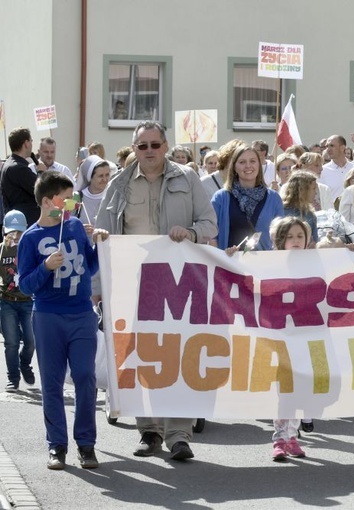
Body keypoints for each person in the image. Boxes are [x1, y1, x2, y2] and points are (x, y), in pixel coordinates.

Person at [96, 121, 217, 461]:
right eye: (141, 146)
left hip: (180, 283)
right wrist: (99, 287)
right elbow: (103, 240)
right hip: (134, 286)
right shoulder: (119, 184)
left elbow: (210, 223)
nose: (148, 151)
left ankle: (179, 435)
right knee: (143, 356)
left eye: (154, 144)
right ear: (133, 149)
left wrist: (192, 233)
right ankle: (149, 431)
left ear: (165, 146)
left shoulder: (187, 178)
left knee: (178, 356)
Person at [18, 171, 109, 470]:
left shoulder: (73, 226)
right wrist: (45, 267)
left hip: (81, 313)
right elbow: (25, 286)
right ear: (46, 202)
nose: (71, 205)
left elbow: (90, 266)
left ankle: (86, 444)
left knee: (85, 376)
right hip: (47, 317)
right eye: (65, 199)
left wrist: (98, 244)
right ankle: (57, 445)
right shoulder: (30, 237)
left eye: (73, 199)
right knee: (52, 384)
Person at [268, 216, 312, 461]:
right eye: (289, 237)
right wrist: (233, 255)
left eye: (300, 236)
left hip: (307, 336)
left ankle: (293, 435)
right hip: (281, 336)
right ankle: (279, 439)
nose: (295, 241)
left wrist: (349, 252)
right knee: (284, 389)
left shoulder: (317, 263)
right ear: (279, 240)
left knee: (301, 387)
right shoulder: (271, 264)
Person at [211, 143, 284, 252]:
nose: (248, 166)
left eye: (253, 161)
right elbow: (212, 235)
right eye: (242, 162)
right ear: (234, 167)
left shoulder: (273, 198)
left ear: (259, 165)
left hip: (265, 265)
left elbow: (281, 236)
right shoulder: (221, 198)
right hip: (229, 264)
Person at [1, 210, 35, 393]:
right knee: (11, 342)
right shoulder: (2, 249)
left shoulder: (30, 247)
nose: (15, 236)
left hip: (28, 300)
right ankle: (12, 378)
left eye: (19, 232)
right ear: (5, 232)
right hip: (6, 301)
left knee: (31, 340)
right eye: (11, 233)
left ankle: (25, 363)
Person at [1, 128, 39, 226]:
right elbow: (41, 189)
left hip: (18, 222)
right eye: (31, 141)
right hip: (24, 224)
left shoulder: (11, 164)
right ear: (26, 143)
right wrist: (41, 172)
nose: (31, 144)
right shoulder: (18, 168)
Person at [282, 170, 319, 245]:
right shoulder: (281, 211)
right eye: (313, 188)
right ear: (303, 190)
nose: (315, 192)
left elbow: (315, 242)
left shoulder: (310, 215)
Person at [319, 135, 354, 201]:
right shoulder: (322, 171)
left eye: (332, 146)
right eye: (327, 146)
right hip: (333, 211)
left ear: (342, 148)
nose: (328, 149)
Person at [76, 156, 111, 224]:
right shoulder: (77, 198)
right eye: (100, 176)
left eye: (107, 175)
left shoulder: (112, 196)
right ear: (90, 177)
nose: (105, 179)